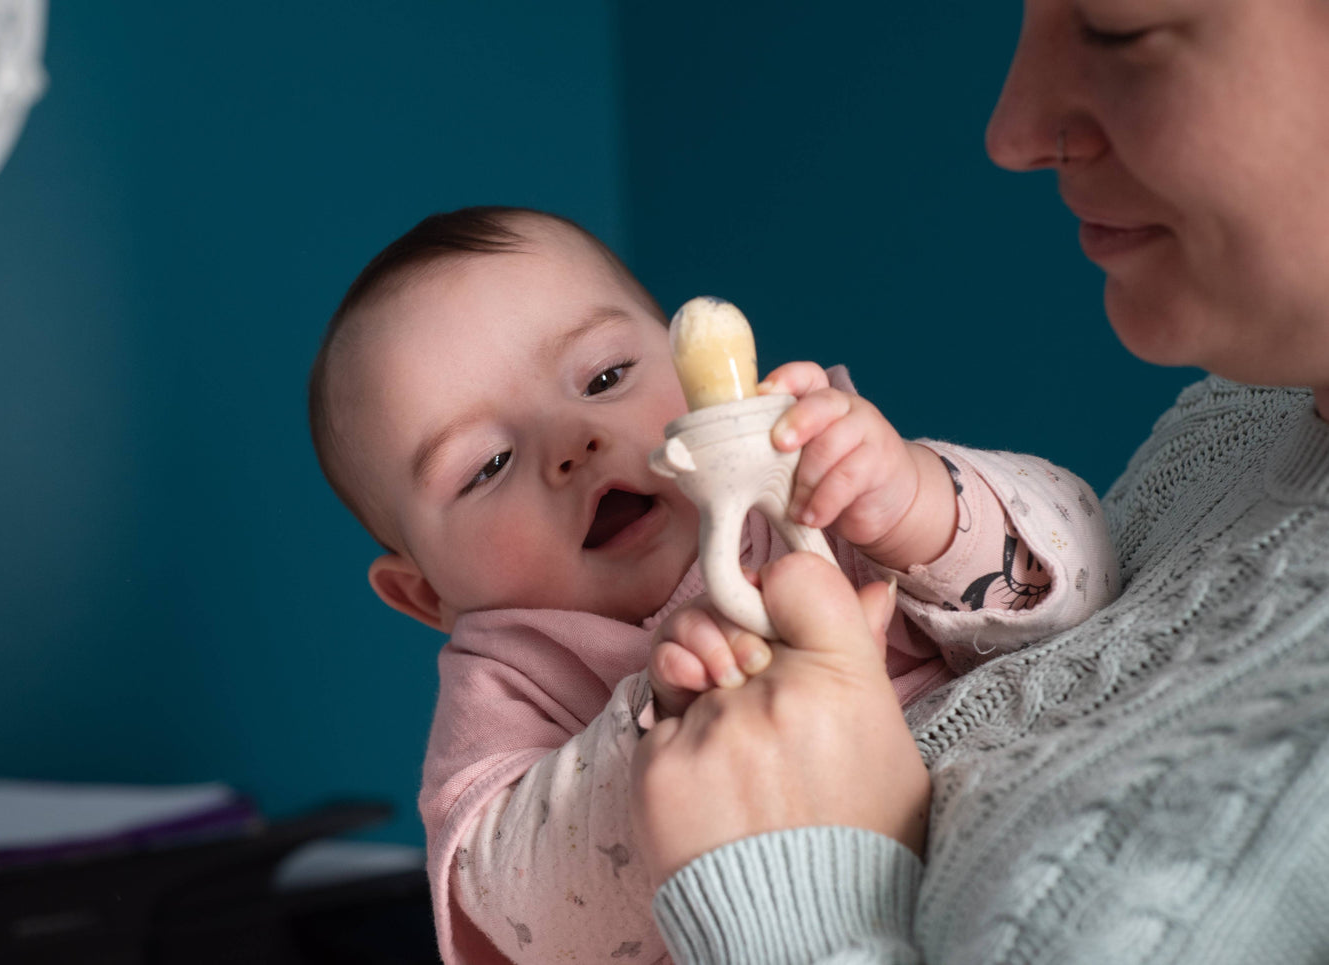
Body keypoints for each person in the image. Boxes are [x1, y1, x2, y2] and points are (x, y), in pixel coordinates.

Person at [629, 1, 1329, 962]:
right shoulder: (1241, 422)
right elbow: (1060, 614)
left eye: (1117, 24)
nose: (1008, 133)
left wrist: (785, 893)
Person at [306, 205, 1118, 964]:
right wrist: (667, 721)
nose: (573, 442)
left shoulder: (818, 477)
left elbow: (1082, 574)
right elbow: (522, 919)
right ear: (425, 596)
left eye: (604, 377)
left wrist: (918, 504)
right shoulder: (509, 674)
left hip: (1021, 864)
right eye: (486, 465)